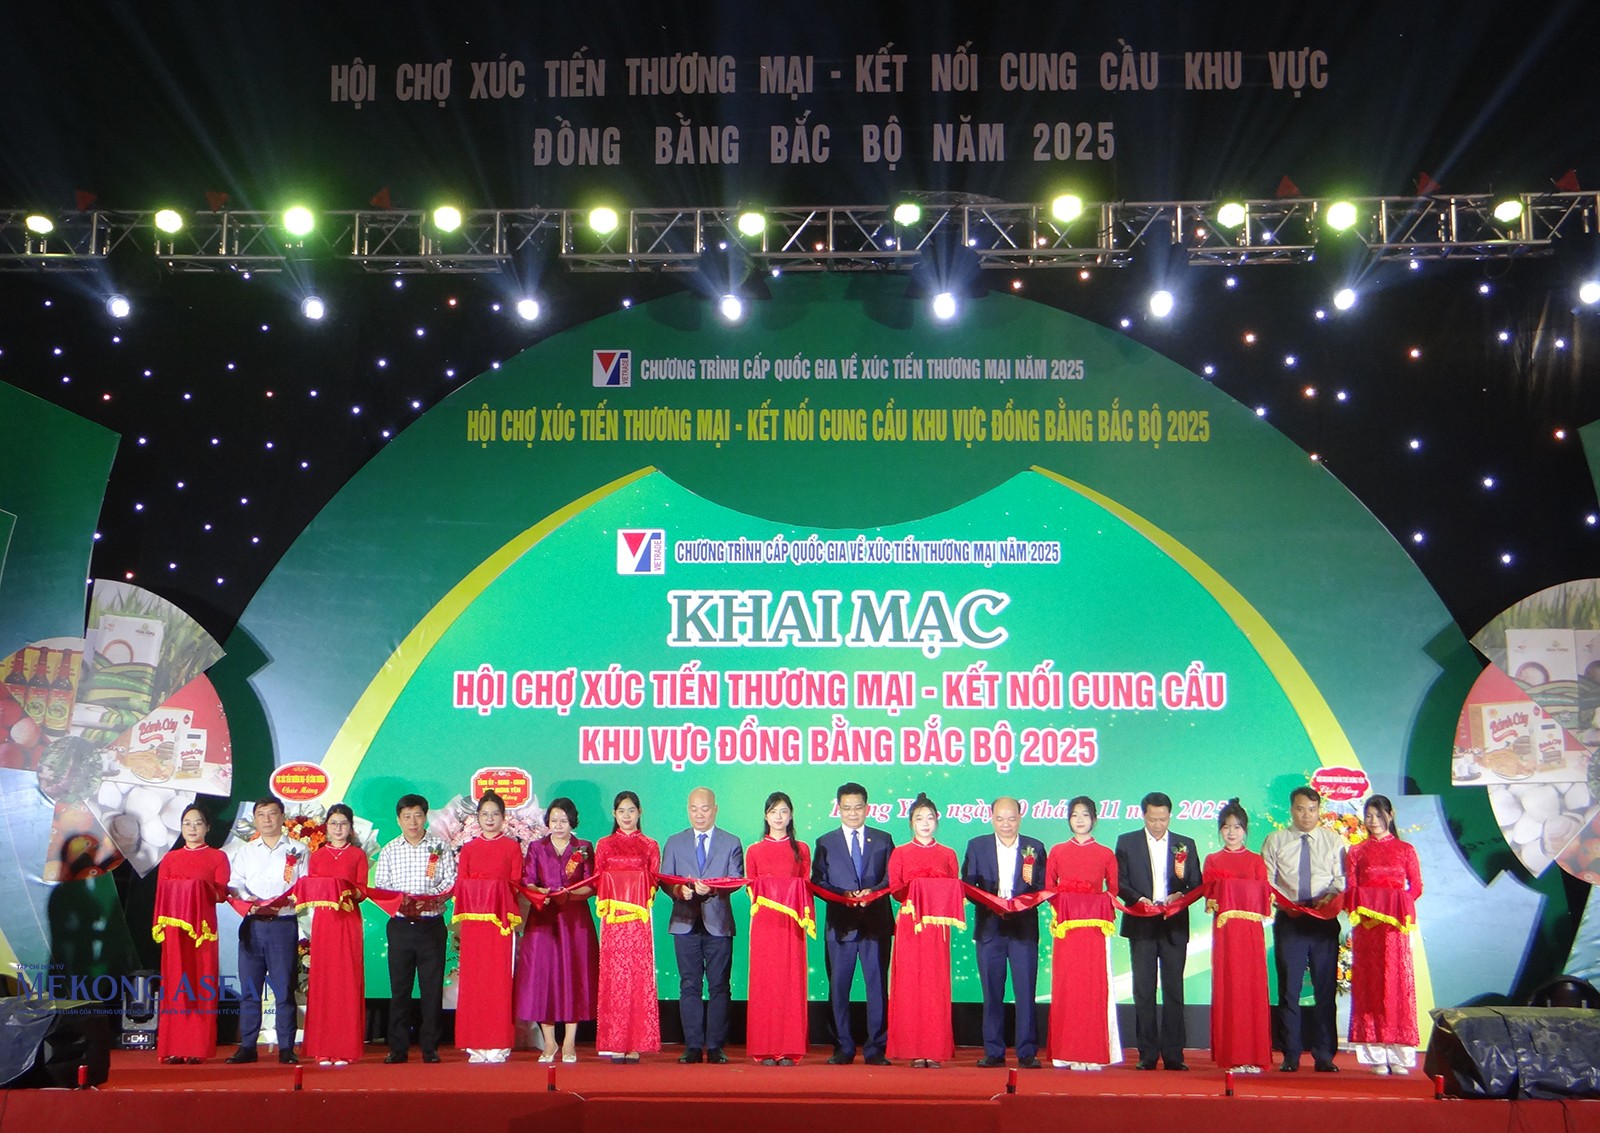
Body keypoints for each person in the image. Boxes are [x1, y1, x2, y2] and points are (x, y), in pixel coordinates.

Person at [1261, 785, 1346, 1072]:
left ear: (1319, 810)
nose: (1306, 815)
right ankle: (1291, 1054)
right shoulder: (1275, 840)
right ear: (1291, 810)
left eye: (1312, 809)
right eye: (1300, 809)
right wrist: (1282, 903)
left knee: (1325, 988)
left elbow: (1341, 878)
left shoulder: (1333, 840)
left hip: (1323, 918)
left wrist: (1329, 898)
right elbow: (1267, 880)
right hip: (1290, 918)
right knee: (1289, 989)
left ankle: (1324, 1054)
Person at [811, 781, 895, 1065]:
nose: (853, 813)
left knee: (877, 987)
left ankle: (876, 1048)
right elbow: (818, 881)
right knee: (838, 987)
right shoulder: (825, 842)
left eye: (858, 807)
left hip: (876, 924)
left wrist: (873, 892)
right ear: (839, 809)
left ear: (867, 808)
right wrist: (843, 895)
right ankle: (843, 1047)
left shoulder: (883, 839)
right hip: (840, 925)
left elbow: (892, 878)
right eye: (847, 808)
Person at [1115, 790, 1200, 1071]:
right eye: (1152, 819)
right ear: (1143, 815)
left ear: (1170, 816)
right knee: (1144, 989)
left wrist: (1179, 897)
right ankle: (1147, 1053)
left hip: (1173, 924)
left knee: (1174, 989)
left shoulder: (1185, 844)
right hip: (1142, 923)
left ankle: (1174, 1054)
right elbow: (1119, 882)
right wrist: (1139, 899)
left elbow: (1196, 883)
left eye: (1163, 819)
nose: (1157, 824)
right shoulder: (1127, 842)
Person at [660, 786, 744, 1064]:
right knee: (689, 984)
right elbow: (665, 880)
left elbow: (736, 879)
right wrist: (678, 891)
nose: (699, 814)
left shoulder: (731, 842)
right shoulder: (674, 842)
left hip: (718, 922)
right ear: (688, 810)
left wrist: (713, 889)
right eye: (694, 809)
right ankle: (693, 1046)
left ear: (715, 809)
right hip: (684, 922)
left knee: (720, 985)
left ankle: (716, 1046)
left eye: (705, 809)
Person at [961, 795, 1047, 1068]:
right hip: (990, 927)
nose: (1006, 824)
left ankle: (1027, 1051)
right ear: (991, 818)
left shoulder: (1035, 847)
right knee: (992, 991)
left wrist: (1021, 904)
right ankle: (993, 1050)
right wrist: (991, 902)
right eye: (1000, 818)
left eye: (1011, 818)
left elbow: (1041, 886)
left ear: (1020, 817)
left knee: (1025, 991)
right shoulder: (977, 846)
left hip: (1023, 928)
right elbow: (968, 885)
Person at [373, 792, 456, 1064]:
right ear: (398, 820)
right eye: (407, 816)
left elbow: (451, 879)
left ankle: (430, 1047)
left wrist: (432, 898)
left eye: (417, 816)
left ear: (425, 817)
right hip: (400, 927)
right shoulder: (390, 850)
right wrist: (402, 902)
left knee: (432, 990)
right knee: (400, 989)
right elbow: (382, 886)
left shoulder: (439, 846)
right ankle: (398, 1048)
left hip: (431, 925)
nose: (412, 822)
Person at [514, 796, 598, 1063]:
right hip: (543, 918)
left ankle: (569, 1042)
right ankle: (549, 1043)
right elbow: (528, 880)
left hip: (575, 920)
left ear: (572, 822)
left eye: (564, 820)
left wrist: (570, 895)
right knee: (543, 978)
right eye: (554, 820)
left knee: (574, 976)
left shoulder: (583, 847)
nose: (558, 825)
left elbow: (592, 884)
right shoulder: (537, 847)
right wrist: (540, 892)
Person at [227, 796, 307, 1064]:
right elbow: (235, 883)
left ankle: (286, 1047)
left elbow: (306, 884)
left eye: (272, 814)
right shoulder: (246, 851)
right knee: (250, 989)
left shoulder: (298, 849)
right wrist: (248, 901)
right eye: (261, 815)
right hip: (253, 925)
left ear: (282, 817)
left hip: (283, 926)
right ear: (255, 820)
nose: (267, 819)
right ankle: (248, 1046)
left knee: (284, 989)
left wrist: (292, 899)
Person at [1346, 795, 1423, 1074]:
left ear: (1390, 815)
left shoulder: (1405, 850)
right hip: (1368, 930)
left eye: (1378, 815)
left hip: (1394, 931)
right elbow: (1351, 890)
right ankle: (1376, 1054)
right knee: (1371, 987)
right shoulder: (1356, 852)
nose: (1373, 821)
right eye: (1368, 815)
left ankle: (1400, 1053)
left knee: (1396, 985)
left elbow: (1416, 887)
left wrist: (1396, 905)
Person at [1044, 796, 1121, 1069]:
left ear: (1094, 820)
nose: (1080, 820)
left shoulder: (1105, 854)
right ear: (1068, 819)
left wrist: (1092, 903)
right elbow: (1048, 888)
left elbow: (1113, 890)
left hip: (1094, 931)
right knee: (1068, 986)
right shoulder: (1057, 851)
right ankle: (1068, 1051)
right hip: (1067, 931)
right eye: (1075, 815)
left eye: (1085, 815)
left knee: (1093, 986)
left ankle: (1093, 1051)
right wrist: (1067, 904)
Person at [886, 793, 962, 1068]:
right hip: (910, 924)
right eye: (919, 818)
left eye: (930, 818)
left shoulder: (948, 854)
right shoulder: (900, 853)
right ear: (911, 823)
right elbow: (895, 889)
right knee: (910, 984)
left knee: (934, 985)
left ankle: (934, 1048)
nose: (925, 823)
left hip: (936, 928)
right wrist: (918, 888)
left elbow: (953, 887)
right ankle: (914, 1049)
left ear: (937, 821)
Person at [153, 805, 229, 1063]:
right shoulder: (170, 859)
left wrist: (199, 888)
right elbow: (161, 896)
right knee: (176, 984)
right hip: (175, 932)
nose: (192, 828)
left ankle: (197, 1048)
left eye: (198, 823)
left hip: (202, 933)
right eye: (187, 823)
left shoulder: (217, 857)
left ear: (207, 827)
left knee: (200, 984)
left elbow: (221, 894)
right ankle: (174, 1047)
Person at [453, 790, 525, 1063]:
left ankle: (498, 1043)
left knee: (498, 982)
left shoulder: (512, 848)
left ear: (503, 817)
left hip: (501, 925)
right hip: (474, 925)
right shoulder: (469, 849)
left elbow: (515, 883)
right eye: (485, 814)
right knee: (474, 981)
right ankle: (475, 1044)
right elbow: (462, 885)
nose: (490, 819)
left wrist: (494, 890)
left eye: (495, 814)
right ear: (477, 817)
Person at [1203, 800, 1271, 1073]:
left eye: (1237, 827)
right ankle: (1231, 1055)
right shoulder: (1213, 860)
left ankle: (1254, 1055)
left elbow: (1264, 895)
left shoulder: (1256, 861)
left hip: (1251, 935)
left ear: (1245, 830)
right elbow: (1209, 896)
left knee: (1251, 988)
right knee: (1229, 987)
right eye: (1226, 827)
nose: (1231, 832)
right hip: (1226, 935)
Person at [744, 791, 812, 1066]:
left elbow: (805, 885)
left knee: (790, 982)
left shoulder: (802, 849)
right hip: (765, 924)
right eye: (774, 812)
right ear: (766, 816)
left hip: (792, 925)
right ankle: (765, 1048)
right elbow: (750, 886)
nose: (779, 817)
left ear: (791, 815)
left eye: (784, 811)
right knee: (766, 982)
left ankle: (789, 1049)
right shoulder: (754, 850)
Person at [594, 790, 661, 1062]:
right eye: (621, 811)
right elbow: (598, 879)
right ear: (614, 814)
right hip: (612, 922)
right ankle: (614, 1041)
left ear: (640, 812)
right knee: (614, 978)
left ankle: (635, 1043)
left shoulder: (650, 845)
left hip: (639, 922)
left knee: (638, 978)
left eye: (631, 810)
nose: (626, 816)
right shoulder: (604, 845)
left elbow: (654, 881)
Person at [301, 803, 368, 1066]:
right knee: (324, 981)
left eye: (343, 824)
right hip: (324, 923)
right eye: (333, 824)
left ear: (350, 828)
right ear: (326, 827)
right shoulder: (317, 856)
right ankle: (323, 1047)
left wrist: (344, 890)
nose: (338, 828)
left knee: (347, 980)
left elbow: (362, 892)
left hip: (348, 921)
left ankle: (345, 1048)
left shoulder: (357, 855)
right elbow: (312, 890)